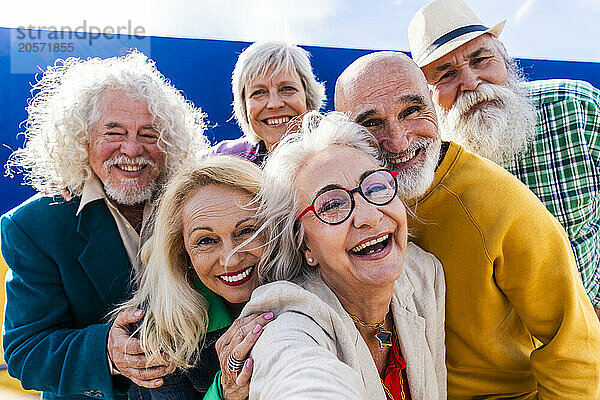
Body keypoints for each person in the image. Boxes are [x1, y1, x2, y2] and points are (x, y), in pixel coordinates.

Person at [335, 51, 600, 398]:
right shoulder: (344, 201)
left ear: (433, 104)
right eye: (371, 123)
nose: (397, 140)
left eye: (412, 111)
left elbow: (576, 351)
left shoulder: (499, 205)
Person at [1, 51, 207, 400]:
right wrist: (106, 351)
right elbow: (26, 352)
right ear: (83, 140)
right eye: (114, 132)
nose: (131, 149)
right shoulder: (34, 226)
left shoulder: (190, 203)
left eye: (148, 133)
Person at [408, 0, 600, 319]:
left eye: (481, 59)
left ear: (506, 59)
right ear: (427, 94)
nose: (470, 82)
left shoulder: (575, 108)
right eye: (446, 74)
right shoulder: (422, 163)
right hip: (492, 363)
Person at [239, 111, 446, 399]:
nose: (369, 216)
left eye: (375, 187)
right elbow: (296, 374)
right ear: (304, 246)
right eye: (332, 205)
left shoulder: (424, 273)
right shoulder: (288, 318)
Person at [114, 155, 272, 400]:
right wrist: (225, 393)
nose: (230, 259)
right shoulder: (160, 330)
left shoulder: (318, 286)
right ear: (183, 252)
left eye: (246, 231)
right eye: (206, 241)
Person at [212, 40, 326, 164]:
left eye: (287, 89)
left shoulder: (335, 158)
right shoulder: (225, 160)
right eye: (259, 92)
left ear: (309, 100)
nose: (274, 104)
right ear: (244, 108)